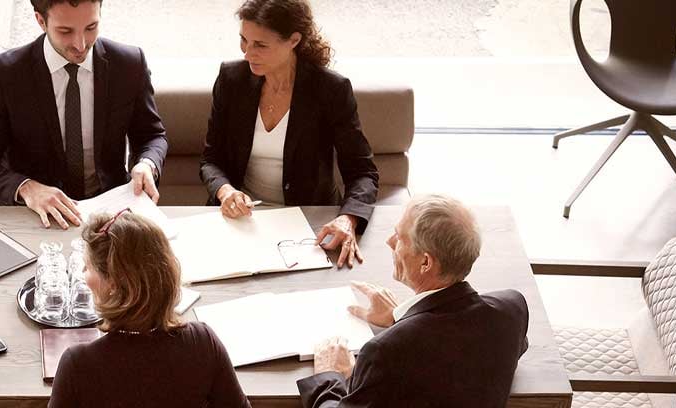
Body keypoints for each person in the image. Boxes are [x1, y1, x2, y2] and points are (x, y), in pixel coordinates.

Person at [298, 195, 530, 407]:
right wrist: (400, 319)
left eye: (399, 237)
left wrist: (330, 375)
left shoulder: (383, 353)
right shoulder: (512, 308)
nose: (389, 241)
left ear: (426, 263)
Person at [200, 0, 380, 268]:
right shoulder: (231, 79)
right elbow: (210, 159)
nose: (248, 53)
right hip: (240, 221)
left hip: (308, 225)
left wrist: (348, 218)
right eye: (243, 41)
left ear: (293, 40)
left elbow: (362, 172)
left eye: (260, 45)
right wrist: (225, 192)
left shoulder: (330, 90)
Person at [0, 0, 169, 230]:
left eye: (91, 28)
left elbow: (152, 136)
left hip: (110, 214)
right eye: (65, 31)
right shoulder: (5, 73)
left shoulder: (129, 64)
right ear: (41, 21)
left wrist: (146, 164)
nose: (81, 45)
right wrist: (27, 188)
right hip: (35, 214)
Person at [49, 210, 250, 407]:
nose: (84, 275)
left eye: (87, 267)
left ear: (113, 283)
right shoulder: (203, 342)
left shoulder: (77, 365)